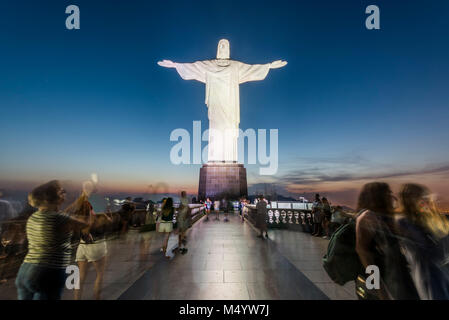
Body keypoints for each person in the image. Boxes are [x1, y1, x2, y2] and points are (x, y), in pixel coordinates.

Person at [15, 180, 93, 300]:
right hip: (48, 271)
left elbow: (64, 215)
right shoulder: (58, 218)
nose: (64, 194)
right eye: (62, 192)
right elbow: (86, 223)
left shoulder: (34, 217)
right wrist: (86, 202)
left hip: (26, 270)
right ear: (54, 197)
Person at [355, 182, 419, 300]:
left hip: (395, 278)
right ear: (377, 197)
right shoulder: (367, 217)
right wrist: (380, 290)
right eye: (387, 193)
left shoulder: (384, 217)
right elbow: (364, 255)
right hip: (377, 282)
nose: (391, 196)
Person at [395, 183, 449, 299]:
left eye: (426, 196)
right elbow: (433, 256)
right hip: (431, 282)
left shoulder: (425, 220)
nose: (426, 200)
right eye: (421, 197)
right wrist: (443, 231)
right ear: (410, 201)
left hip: (440, 276)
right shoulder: (404, 224)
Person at [74, 206, 112, 300]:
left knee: (81, 276)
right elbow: (110, 224)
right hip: (96, 246)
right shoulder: (99, 219)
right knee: (99, 275)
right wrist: (107, 216)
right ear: (91, 209)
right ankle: (97, 298)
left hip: (82, 246)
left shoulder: (78, 220)